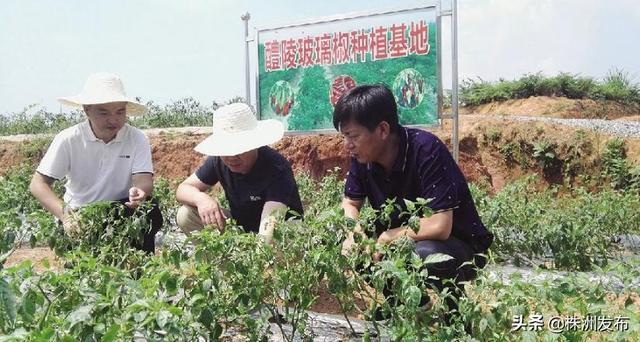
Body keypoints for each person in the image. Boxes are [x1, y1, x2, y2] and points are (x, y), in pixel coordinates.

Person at [333, 84, 493, 319]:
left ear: (383, 129)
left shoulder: (425, 149)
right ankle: (404, 301)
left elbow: (439, 225)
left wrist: (386, 238)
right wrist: (354, 237)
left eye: (353, 136)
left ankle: (455, 312)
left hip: (458, 245)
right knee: (356, 246)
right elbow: (350, 203)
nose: (348, 145)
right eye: (345, 136)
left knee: (422, 254)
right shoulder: (363, 156)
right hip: (405, 239)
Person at [29, 72, 163, 252]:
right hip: (81, 216)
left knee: (151, 211)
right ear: (87, 110)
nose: (113, 119)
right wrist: (67, 217)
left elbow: (143, 181)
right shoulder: (69, 139)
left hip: (120, 211)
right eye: (104, 112)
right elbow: (38, 184)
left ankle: (138, 272)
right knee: (83, 272)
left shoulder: (136, 138)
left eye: (120, 112)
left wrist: (139, 192)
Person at [175, 103, 303, 243]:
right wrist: (201, 199)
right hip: (242, 228)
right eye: (226, 149)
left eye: (238, 149)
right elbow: (183, 189)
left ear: (254, 143)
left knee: (270, 238)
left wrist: (260, 255)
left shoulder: (276, 166)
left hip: (282, 232)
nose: (231, 157)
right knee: (186, 215)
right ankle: (221, 264)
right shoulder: (218, 161)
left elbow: (270, 224)